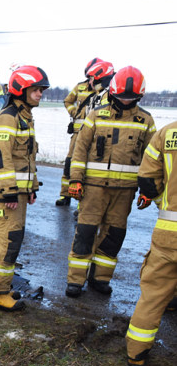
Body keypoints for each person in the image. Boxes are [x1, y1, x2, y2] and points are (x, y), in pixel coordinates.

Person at [65, 67, 157, 298]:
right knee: (85, 233)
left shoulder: (146, 120)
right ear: (113, 94)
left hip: (125, 192)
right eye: (122, 97)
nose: (126, 101)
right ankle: (75, 280)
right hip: (93, 189)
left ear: (139, 96)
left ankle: (100, 279)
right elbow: (80, 149)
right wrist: (75, 180)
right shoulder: (96, 115)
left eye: (131, 98)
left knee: (113, 236)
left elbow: (153, 158)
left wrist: (149, 189)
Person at [0, 65, 50, 311]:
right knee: (8, 240)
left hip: (14, 193)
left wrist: (31, 187)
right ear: (22, 89)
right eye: (37, 89)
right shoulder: (8, 117)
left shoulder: (24, 117)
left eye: (42, 90)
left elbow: (26, 160)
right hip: (3, 195)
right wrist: (9, 190)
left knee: (1, 238)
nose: (41, 94)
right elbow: (1, 156)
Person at [124, 124, 177, 366]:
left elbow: (147, 178)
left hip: (168, 230)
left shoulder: (167, 133)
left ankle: (135, 354)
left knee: (154, 294)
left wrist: (164, 207)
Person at [56, 58, 103, 207]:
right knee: (70, 162)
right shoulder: (80, 87)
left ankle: (80, 200)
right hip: (77, 133)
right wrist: (74, 113)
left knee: (88, 166)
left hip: (94, 135)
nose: (90, 79)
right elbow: (67, 101)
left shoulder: (103, 91)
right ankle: (65, 194)